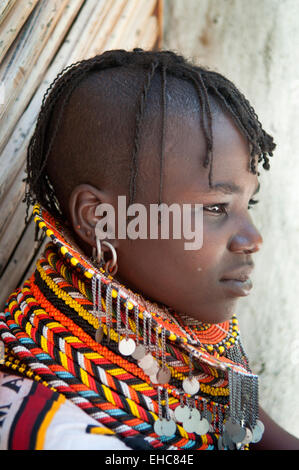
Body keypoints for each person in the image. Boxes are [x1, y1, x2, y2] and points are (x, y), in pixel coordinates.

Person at [0, 48, 298, 451]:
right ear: (100, 218)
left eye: (250, 204)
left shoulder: (195, 340)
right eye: (215, 207)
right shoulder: (57, 431)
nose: (253, 238)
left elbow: (249, 428)